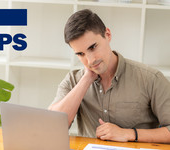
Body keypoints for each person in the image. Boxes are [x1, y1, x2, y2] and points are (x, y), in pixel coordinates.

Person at [48, 9, 170, 143]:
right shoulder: (73, 80)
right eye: (80, 54)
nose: (90, 60)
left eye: (93, 47)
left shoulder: (151, 78)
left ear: (107, 34)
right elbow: (52, 126)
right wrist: (87, 79)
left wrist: (129, 134)